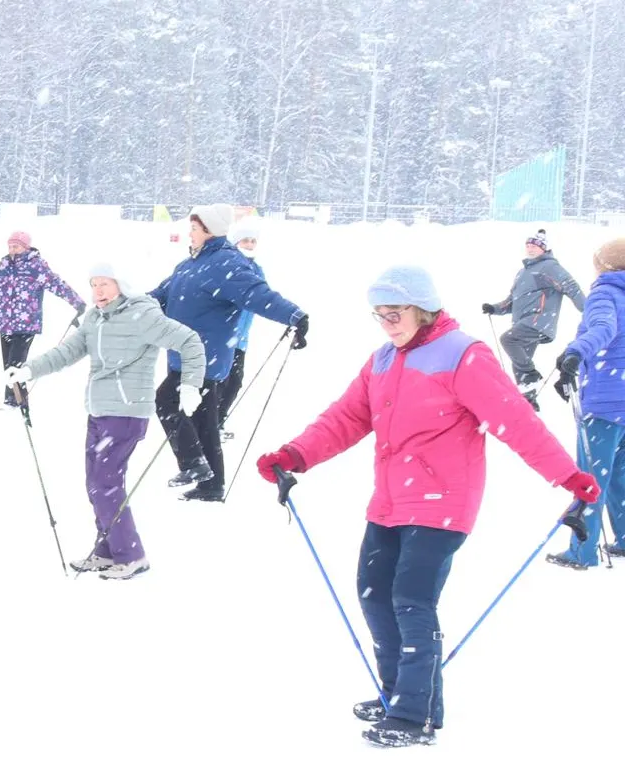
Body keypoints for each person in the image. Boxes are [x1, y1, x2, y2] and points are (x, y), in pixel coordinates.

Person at [255, 266, 595, 748]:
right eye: (379, 316)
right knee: (373, 593)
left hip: (443, 502)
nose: (387, 323)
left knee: (412, 600)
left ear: (422, 307)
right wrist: (295, 454)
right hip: (391, 501)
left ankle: (416, 715)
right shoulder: (382, 360)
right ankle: (399, 693)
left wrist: (570, 477)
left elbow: (515, 421)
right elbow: (345, 418)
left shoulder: (463, 355)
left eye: (395, 313)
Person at [7, 263, 204, 579]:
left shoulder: (143, 315)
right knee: (96, 484)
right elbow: (67, 351)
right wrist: (29, 370)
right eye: (93, 285)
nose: (98, 292)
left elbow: (190, 341)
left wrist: (191, 385)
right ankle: (107, 550)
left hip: (127, 412)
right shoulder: (94, 319)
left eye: (104, 284)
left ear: (121, 285)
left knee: (105, 484)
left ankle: (131, 555)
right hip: (99, 410)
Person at [149, 204, 308, 502]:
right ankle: (212, 485)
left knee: (166, 401)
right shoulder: (189, 265)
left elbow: (259, 295)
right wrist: (127, 306)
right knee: (203, 422)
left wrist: (295, 316)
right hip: (182, 354)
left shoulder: (226, 264)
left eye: (194, 228)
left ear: (209, 230)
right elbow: (159, 296)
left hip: (203, 358)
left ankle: (193, 464)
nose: (190, 233)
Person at [546, 237, 625, 569]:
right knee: (619, 475)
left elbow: (604, 329)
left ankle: (582, 552)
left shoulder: (605, 292)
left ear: (605, 265)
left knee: (591, 477)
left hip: (605, 403)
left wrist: (577, 353)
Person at [0, 230, 85, 407]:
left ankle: (16, 403)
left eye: (16, 246)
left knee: (14, 366)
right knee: (8, 366)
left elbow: (56, 284)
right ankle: (15, 401)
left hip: (26, 324)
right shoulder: (4, 265)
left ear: (25, 247)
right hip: (5, 324)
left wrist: (76, 301)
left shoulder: (36, 266)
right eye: (10, 246)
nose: (12, 250)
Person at [483, 229, 588, 411]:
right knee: (519, 362)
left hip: (538, 321)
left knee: (508, 340)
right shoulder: (522, 272)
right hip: (523, 323)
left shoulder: (549, 267)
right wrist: (495, 308)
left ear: (544, 249)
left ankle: (531, 375)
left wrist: (588, 309)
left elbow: (570, 286)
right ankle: (528, 401)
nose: (530, 249)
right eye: (528, 246)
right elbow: (511, 300)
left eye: (535, 246)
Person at [220, 217, 264, 426]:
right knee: (219, 382)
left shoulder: (257, 269)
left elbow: (264, 297)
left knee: (234, 383)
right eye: (245, 240)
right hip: (223, 337)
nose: (249, 245)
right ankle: (209, 422)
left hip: (240, 340)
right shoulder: (227, 265)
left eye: (252, 241)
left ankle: (217, 420)